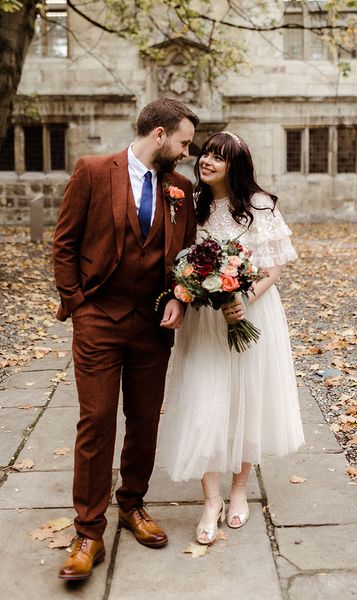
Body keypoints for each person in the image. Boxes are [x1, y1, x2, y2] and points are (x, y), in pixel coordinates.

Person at [52, 97, 199, 580]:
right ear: (159, 135)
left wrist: (180, 294)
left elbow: (187, 256)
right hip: (98, 319)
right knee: (96, 421)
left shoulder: (180, 189)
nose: (185, 151)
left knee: (143, 421)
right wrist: (77, 303)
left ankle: (133, 503)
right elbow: (65, 242)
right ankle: (88, 532)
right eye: (182, 142)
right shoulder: (94, 171)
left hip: (152, 325)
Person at [159, 131, 305, 544]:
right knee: (205, 401)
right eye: (205, 153)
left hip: (251, 315)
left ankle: (239, 490)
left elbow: (273, 267)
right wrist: (188, 290)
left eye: (218, 158)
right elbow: (180, 262)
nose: (206, 161)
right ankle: (211, 500)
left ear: (235, 166)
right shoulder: (192, 205)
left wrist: (241, 298)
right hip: (204, 322)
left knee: (245, 399)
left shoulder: (260, 206)